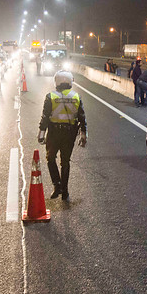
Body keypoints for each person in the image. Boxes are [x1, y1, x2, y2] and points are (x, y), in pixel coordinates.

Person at [38, 71, 87, 200]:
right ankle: (65, 191)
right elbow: (82, 118)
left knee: (50, 158)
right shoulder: (76, 97)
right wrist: (83, 135)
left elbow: (45, 117)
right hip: (70, 134)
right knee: (65, 162)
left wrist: (41, 133)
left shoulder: (50, 96)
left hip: (54, 133)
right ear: (70, 82)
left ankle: (57, 184)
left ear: (56, 82)